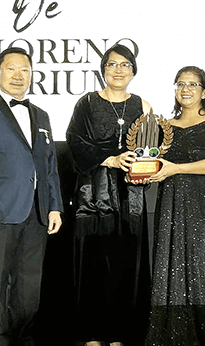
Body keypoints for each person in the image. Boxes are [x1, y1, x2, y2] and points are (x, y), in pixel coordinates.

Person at [0, 47, 63, 345]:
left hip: (37, 212)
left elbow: (50, 166)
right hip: (0, 210)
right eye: (11, 69)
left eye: (25, 70)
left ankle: (24, 337)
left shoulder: (41, 115)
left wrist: (55, 207)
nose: (18, 75)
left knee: (29, 284)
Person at [66, 44, 153, 346]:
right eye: (112, 64)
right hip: (93, 191)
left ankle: (119, 335)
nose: (118, 70)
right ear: (103, 69)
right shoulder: (87, 102)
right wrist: (110, 159)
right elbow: (74, 141)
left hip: (131, 194)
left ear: (133, 71)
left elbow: (150, 149)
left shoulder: (143, 106)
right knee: (90, 262)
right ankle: (91, 334)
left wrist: (145, 165)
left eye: (125, 65)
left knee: (125, 263)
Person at [145, 66, 205, 346]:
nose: (186, 89)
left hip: (204, 207)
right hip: (171, 207)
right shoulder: (165, 127)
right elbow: (153, 163)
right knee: (171, 268)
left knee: (203, 271)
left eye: (193, 85)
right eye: (180, 84)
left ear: (204, 92)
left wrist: (176, 168)